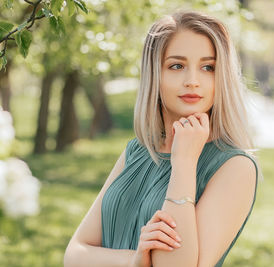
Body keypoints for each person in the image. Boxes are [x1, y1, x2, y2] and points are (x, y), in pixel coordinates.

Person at [64, 10, 260, 267]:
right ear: (155, 74)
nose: (192, 81)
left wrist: (185, 164)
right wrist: (135, 261)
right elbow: (75, 254)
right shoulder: (137, 151)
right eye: (177, 66)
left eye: (207, 67)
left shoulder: (235, 166)